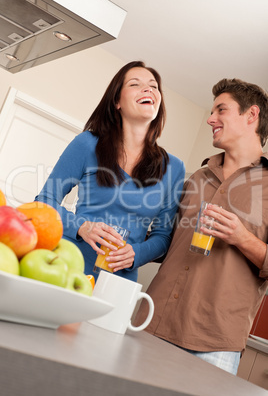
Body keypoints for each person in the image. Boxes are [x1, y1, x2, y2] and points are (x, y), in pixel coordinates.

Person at [134, 78, 268, 375]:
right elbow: (164, 243)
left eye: (221, 110)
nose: (210, 119)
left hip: (214, 341)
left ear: (252, 115)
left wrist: (241, 237)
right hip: (152, 322)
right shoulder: (196, 178)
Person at [35, 61, 185, 281]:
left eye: (153, 86)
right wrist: (81, 226)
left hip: (118, 281)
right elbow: (44, 201)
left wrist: (137, 254)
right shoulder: (87, 144)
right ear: (117, 101)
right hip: (69, 267)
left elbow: (163, 236)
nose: (148, 89)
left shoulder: (173, 167)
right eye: (135, 84)